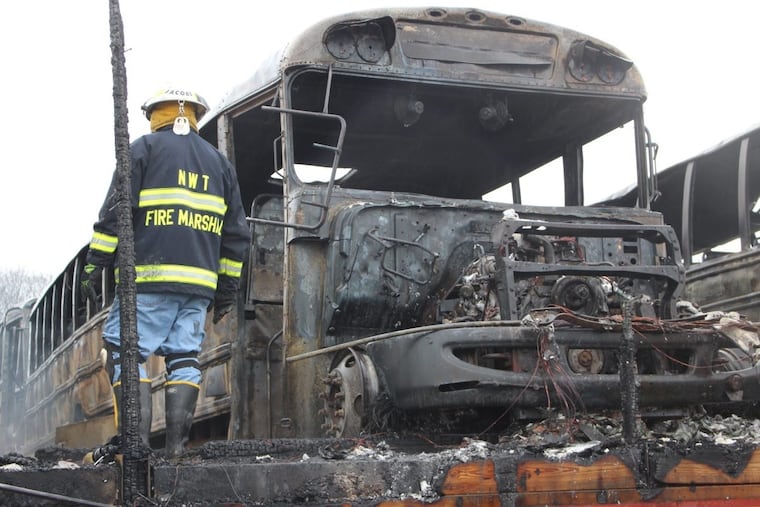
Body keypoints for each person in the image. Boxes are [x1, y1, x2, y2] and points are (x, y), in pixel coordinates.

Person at [81, 87, 250, 458]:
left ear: (155, 114)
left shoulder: (142, 151)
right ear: (194, 116)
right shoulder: (220, 165)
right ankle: (176, 449)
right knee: (185, 357)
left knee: (124, 349)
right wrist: (225, 292)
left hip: (148, 280)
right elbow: (237, 236)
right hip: (198, 288)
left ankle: (136, 445)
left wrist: (95, 267)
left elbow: (114, 216)